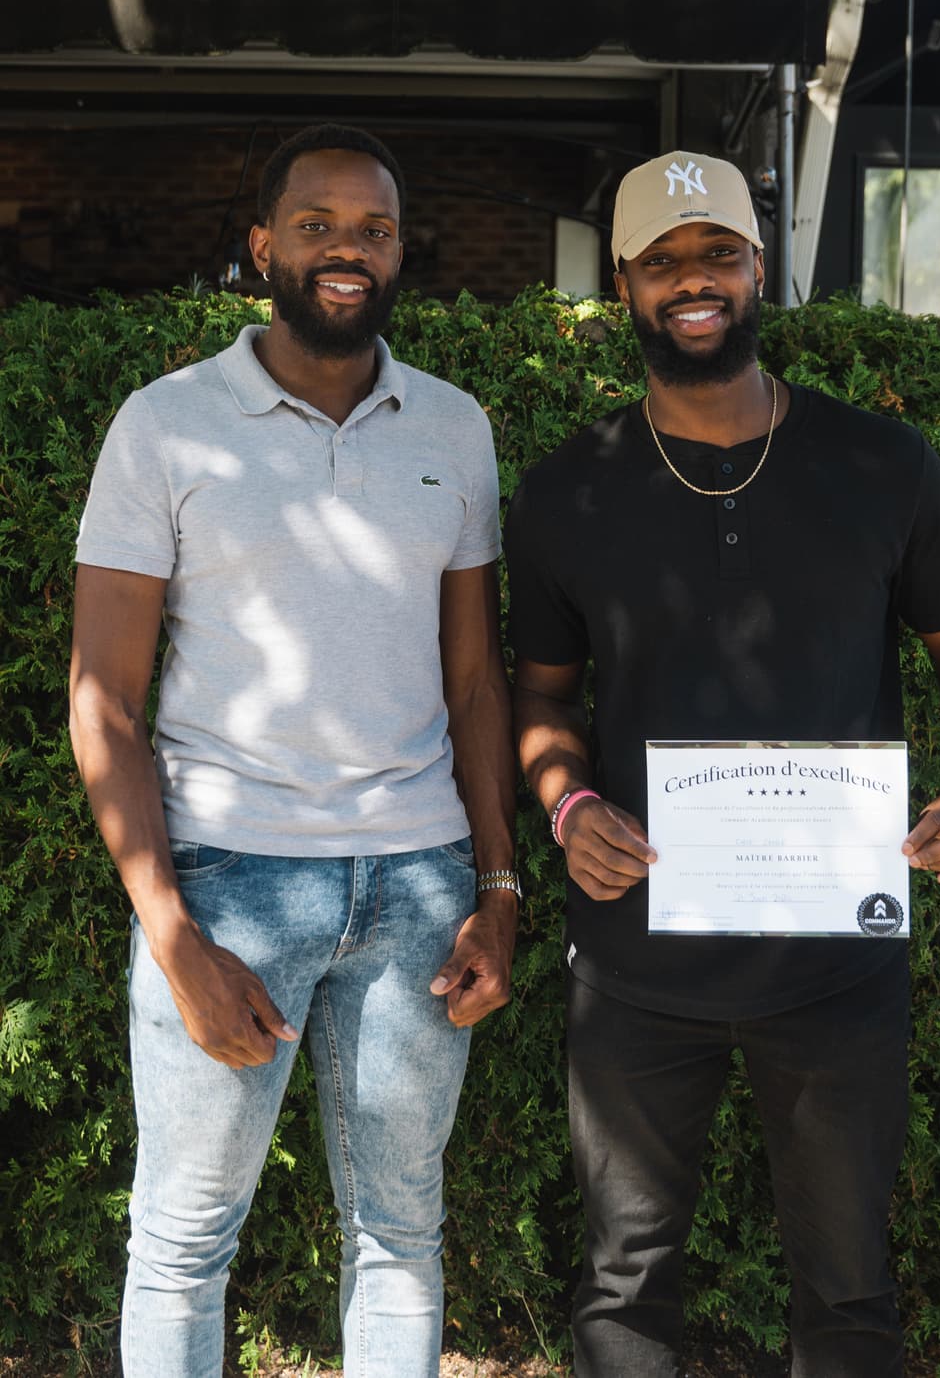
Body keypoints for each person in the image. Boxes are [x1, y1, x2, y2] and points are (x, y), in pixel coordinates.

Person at [505, 150, 940, 1378]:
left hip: (836, 966)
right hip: (635, 965)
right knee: (621, 1292)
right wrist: (567, 803)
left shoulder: (882, 463)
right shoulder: (570, 490)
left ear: (758, 266)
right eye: (665, 260)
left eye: (718, 254)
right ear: (621, 282)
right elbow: (541, 695)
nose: (696, 281)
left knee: (848, 1297)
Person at [69, 123, 520, 1378]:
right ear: (262, 246)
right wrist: (170, 933)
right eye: (317, 225)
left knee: (401, 1233)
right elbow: (103, 696)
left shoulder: (454, 427)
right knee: (181, 1240)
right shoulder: (165, 427)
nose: (347, 250)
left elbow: (474, 678)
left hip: (422, 885)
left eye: (372, 229)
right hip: (228, 879)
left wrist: (497, 885)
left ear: (398, 253)